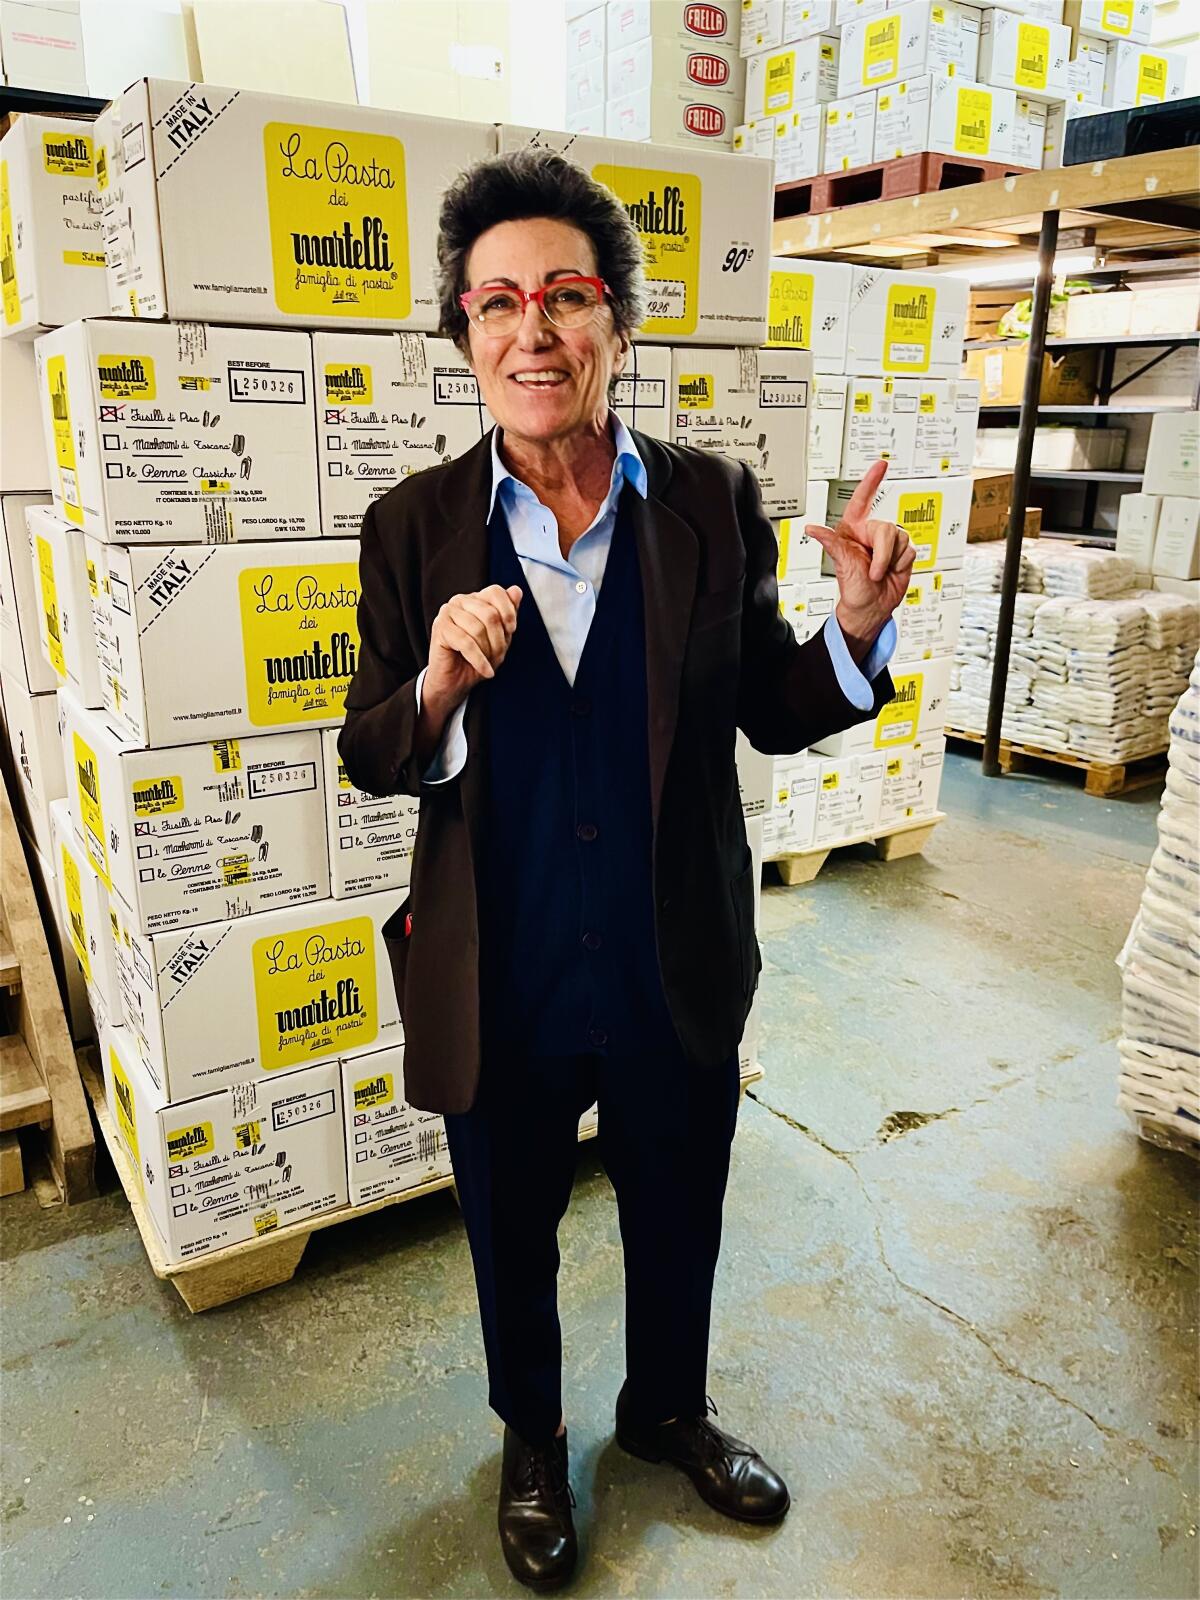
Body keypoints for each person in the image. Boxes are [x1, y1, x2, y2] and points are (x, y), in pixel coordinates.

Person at [339, 146, 915, 1592]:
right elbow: (369, 746)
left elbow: (768, 711)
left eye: (567, 295)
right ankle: (532, 1439)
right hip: (502, 959)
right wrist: (438, 688)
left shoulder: (712, 504)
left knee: (679, 1200)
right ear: (464, 335)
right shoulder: (412, 529)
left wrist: (853, 632)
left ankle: (665, 1409)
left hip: (675, 954)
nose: (532, 330)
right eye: (496, 304)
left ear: (619, 321)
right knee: (509, 1224)